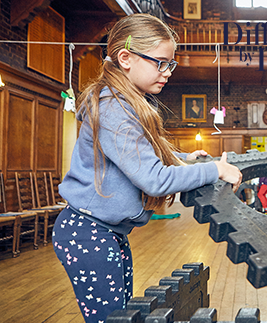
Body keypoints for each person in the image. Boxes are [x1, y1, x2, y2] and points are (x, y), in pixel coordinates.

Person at [52, 14, 242, 323]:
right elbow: (154, 179)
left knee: (123, 316)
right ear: (125, 58)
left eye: (170, 64)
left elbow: (145, 156)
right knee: (111, 320)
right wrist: (213, 171)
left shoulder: (127, 103)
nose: (167, 73)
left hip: (108, 232)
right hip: (88, 234)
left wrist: (185, 159)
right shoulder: (113, 107)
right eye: (160, 63)